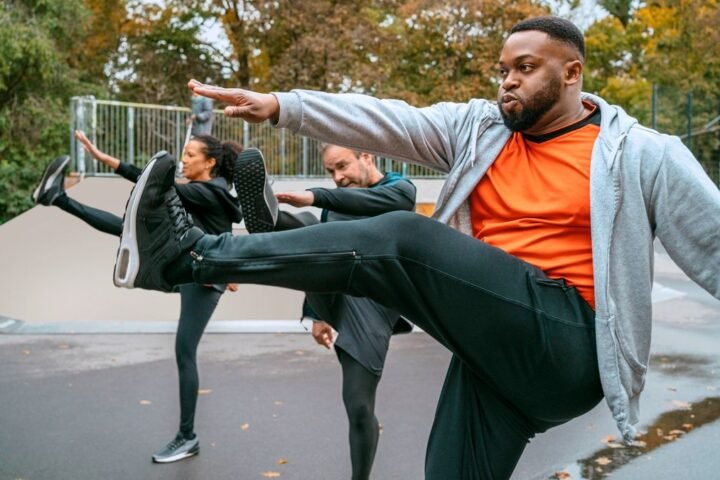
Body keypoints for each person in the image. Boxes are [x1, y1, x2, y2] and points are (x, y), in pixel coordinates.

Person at [112, 16, 720, 480]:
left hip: (568, 341)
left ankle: (187, 256)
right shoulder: (478, 129)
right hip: (494, 346)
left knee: (404, 237)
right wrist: (282, 106)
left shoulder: (641, 154)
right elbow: (388, 118)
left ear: (572, 71)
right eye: (503, 68)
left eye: (526, 67)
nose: (508, 80)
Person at [32, 131, 242, 464]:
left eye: (190, 155)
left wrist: (231, 272)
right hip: (191, 266)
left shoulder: (211, 191)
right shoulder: (202, 191)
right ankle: (57, 197)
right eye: (183, 155)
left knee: (184, 352)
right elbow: (151, 186)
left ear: (210, 162)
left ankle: (188, 436)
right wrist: (104, 159)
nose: (184, 160)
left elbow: (160, 188)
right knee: (126, 226)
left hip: (204, 280)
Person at [234, 144, 415, 480]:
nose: (338, 177)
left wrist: (317, 196)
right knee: (309, 230)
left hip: (374, 305)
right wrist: (313, 313)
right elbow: (314, 257)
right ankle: (269, 218)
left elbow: (390, 203)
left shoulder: (399, 188)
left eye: (342, 166)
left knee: (359, 407)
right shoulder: (334, 205)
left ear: (367, 157)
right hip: (336, 290)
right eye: (331, 171)